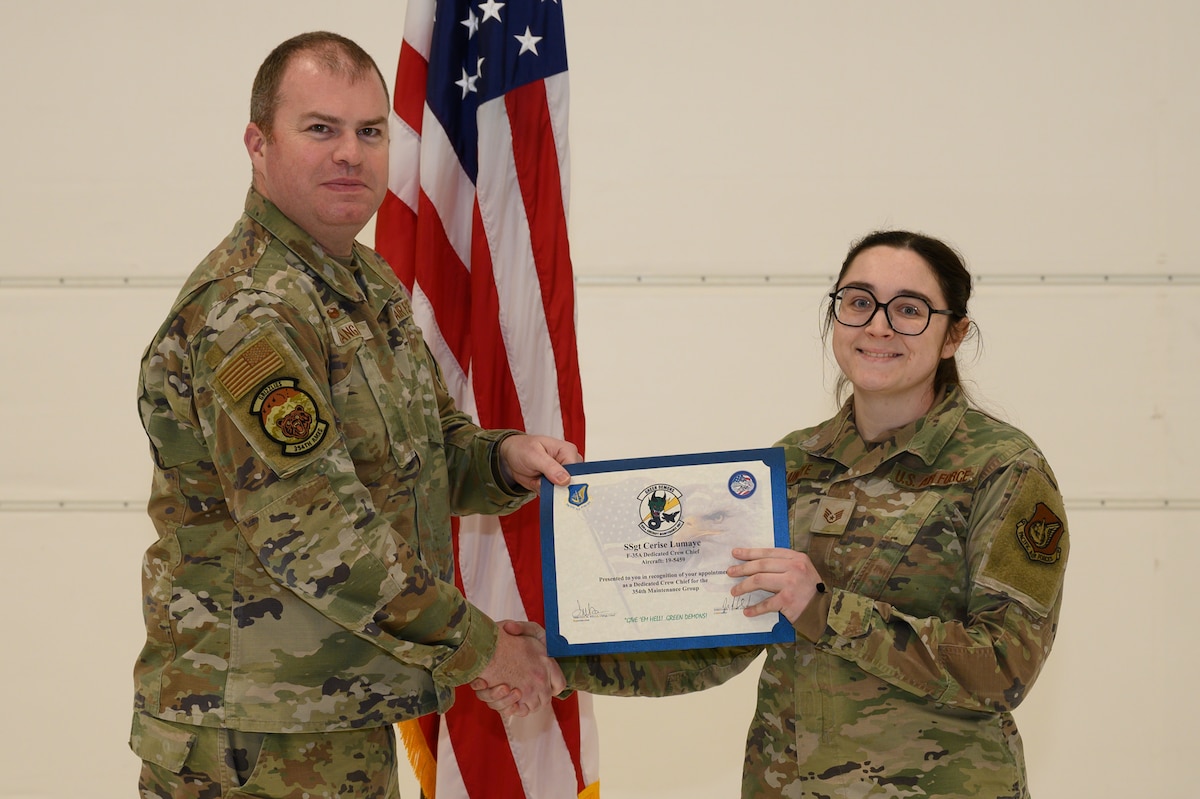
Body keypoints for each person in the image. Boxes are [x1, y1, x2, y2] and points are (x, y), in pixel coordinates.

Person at [128, 31, 573, 798]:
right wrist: (482, 650)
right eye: (321, 128)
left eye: (371, 132)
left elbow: (426, 453)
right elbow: (319, 535)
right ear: (258, 143)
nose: (351, 153)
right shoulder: (250, 309)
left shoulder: (364, 281)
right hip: (253, 742)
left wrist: (502, 460)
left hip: (338, 713)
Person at [479, 230, 1069, 798]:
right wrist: (566, 661)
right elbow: (718, 639)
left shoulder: (1003, 470)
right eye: (858, 302)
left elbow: (1005, 665)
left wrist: (822, 607)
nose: (878, 326)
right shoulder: (792, 463)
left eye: (910, 309)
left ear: (953, 335)